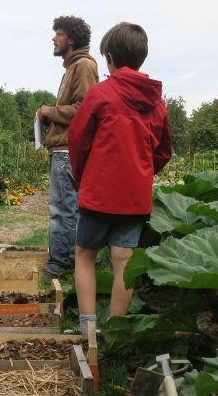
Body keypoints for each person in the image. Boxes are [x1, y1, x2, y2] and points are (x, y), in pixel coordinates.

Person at [68, 23, 172, 335]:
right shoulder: (156, 103)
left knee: (85, 255)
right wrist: (142, 173)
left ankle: (88, 328)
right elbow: (164, 151)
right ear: (141, 58)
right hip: (134, 198)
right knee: (123, 261)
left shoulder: (102, 94)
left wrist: (84, 177)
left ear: (110, 58)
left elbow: (78, 140)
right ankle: (115, 332)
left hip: (99, 192)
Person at [36, 15, 98, 278]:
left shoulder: (82, 65)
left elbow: (85, 108)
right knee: (65, 207)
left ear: (71, 39)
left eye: (58, 33)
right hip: (63, 149)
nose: (54, 38)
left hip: (67, 150)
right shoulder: (72, 67)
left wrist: (51, 111)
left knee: (63, 209)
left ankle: (61, 263)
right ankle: (69, 260)